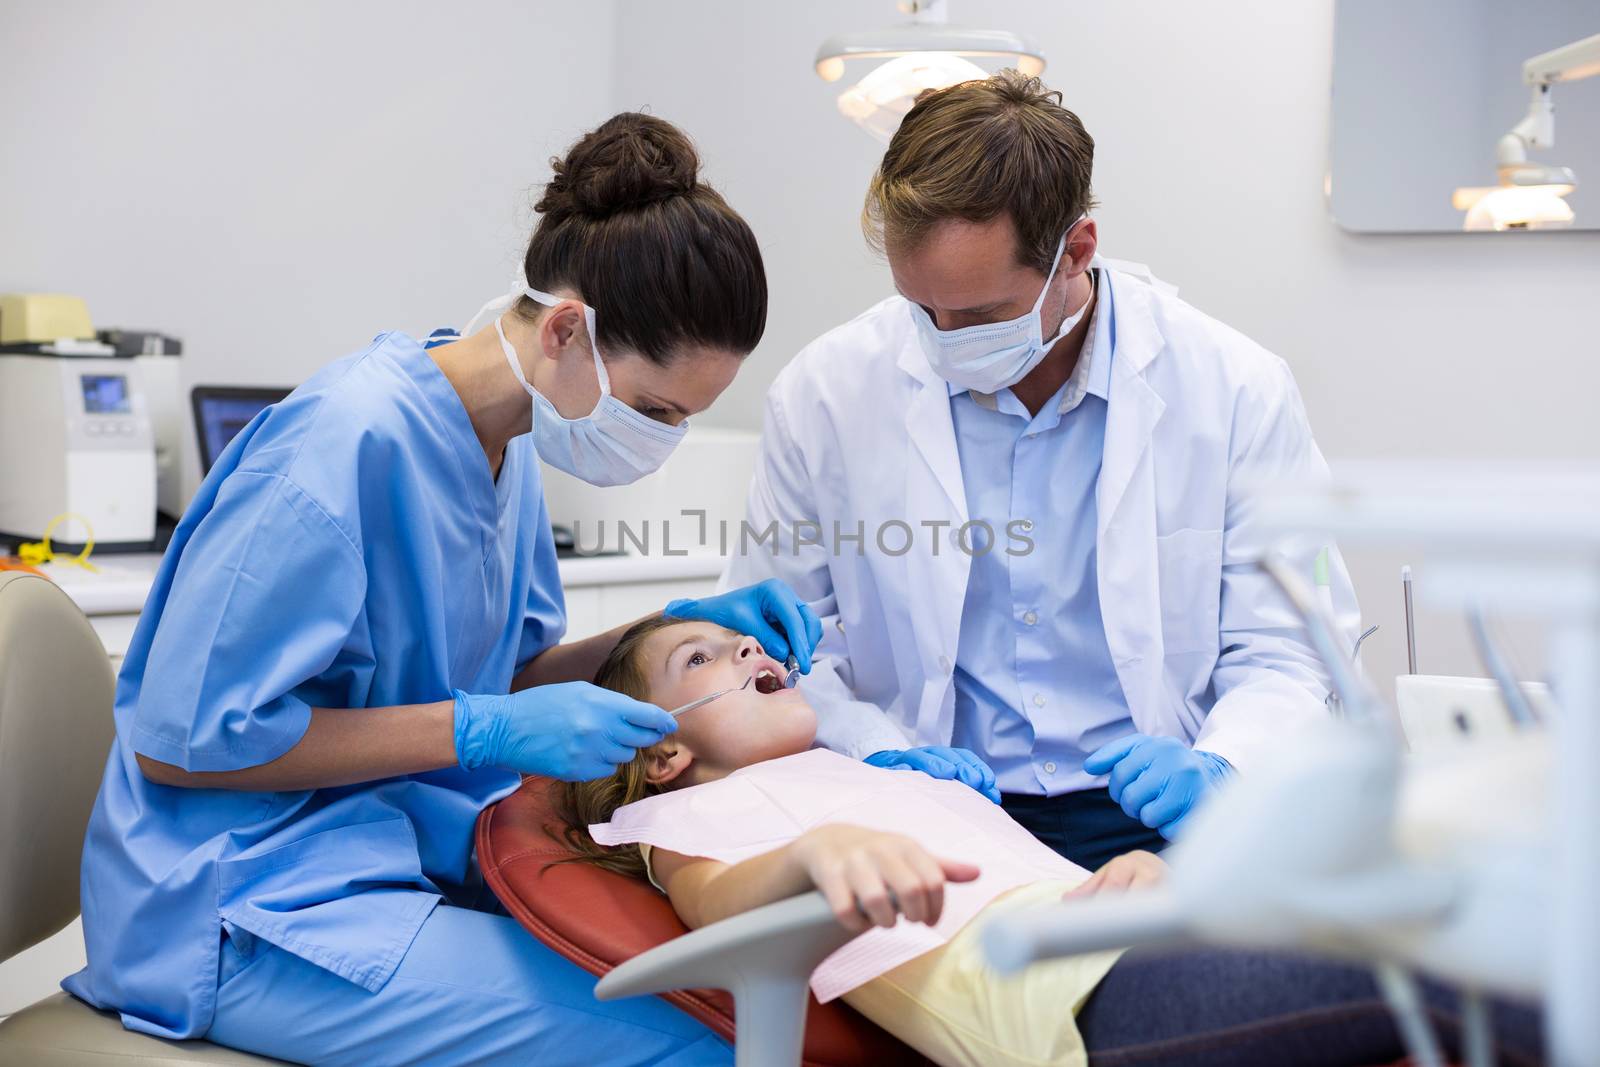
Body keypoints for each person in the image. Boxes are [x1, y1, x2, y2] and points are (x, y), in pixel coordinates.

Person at [63, 113, 821, 1067]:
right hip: (238, 902)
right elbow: (187, 743)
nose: (662, 437)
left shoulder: (507, 447)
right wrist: (482, 730)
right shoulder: (336, 449)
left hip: (385, 847)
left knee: (733, 981)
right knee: (711, 1037)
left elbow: (507, 664)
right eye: (657, 410)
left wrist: (675, 623)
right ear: (565, 330)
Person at [722, 71, 1362, 869]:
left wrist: (1224, 764)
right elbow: (778, 650)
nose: (943, 342)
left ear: (1076, 253)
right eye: (921, 310)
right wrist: (872, 748)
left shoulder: (1233, 389)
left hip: (1166, 818)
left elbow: (1290, 646)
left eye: (980, 316)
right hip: (923, 803)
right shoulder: (825, 393)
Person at [554, 614, 1543, 1067]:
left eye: (748, 643)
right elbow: (716, 905)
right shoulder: (673, 817)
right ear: (663, 753)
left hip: (1134, 941)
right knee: (1469, 956)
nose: (748, 646)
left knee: (1490, 898)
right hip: (1070, 1010)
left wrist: (1146, 874)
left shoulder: (864, 772)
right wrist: (815, 854)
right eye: (702, 655)